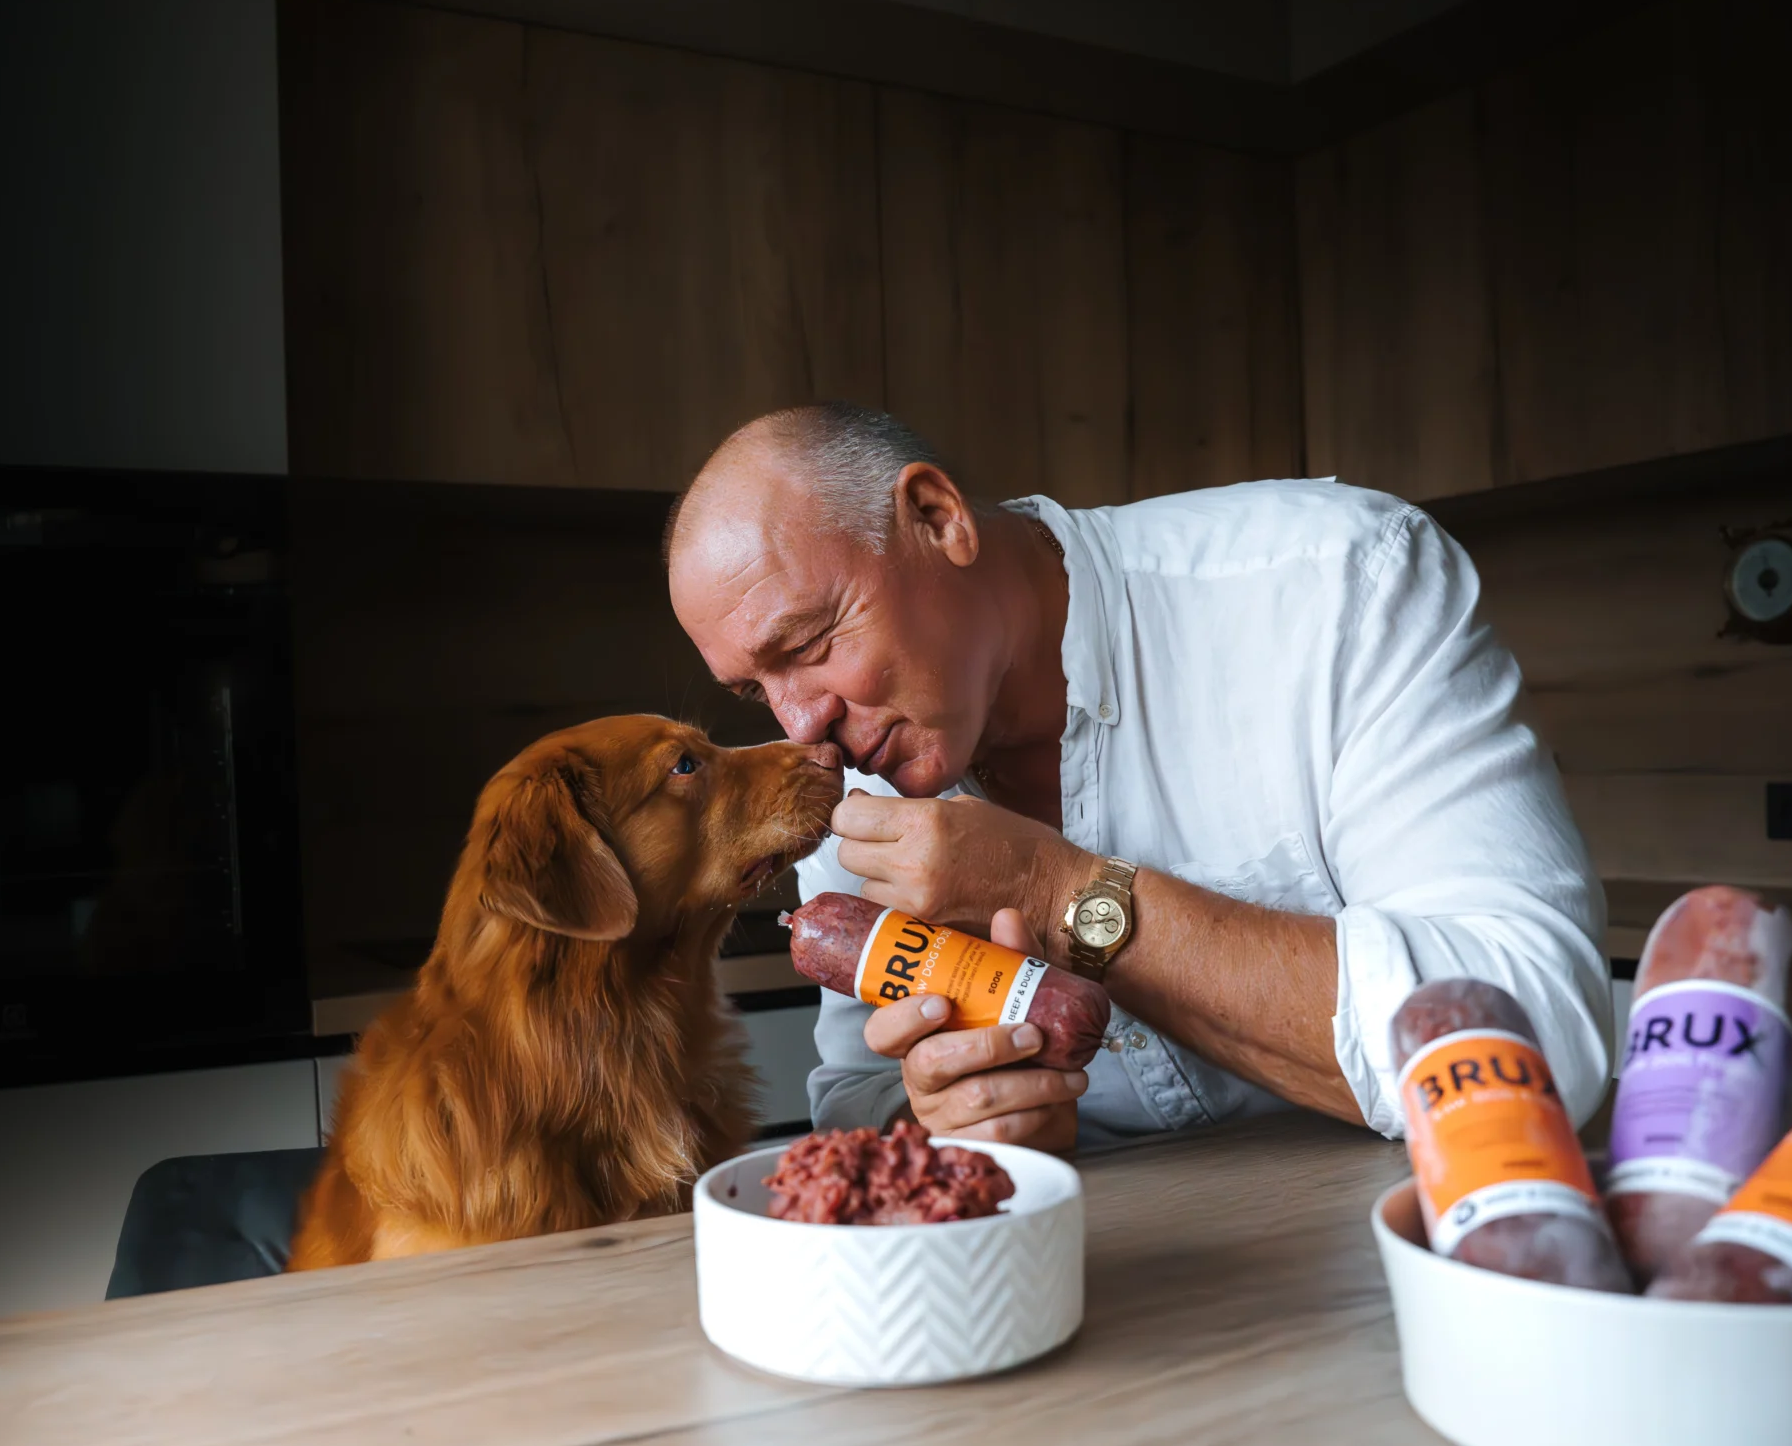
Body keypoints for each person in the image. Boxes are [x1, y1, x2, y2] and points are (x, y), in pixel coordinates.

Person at [664, 403, 1609, 1153]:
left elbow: (1538, 1044)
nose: (801, 726)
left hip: (1426, 1241)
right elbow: (859, 1101)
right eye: (756, 689)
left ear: (937, 519)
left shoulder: (1340, 583)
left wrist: (1057, 892)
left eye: (809, 645)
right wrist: (956, 1116)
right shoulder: (852, 795)